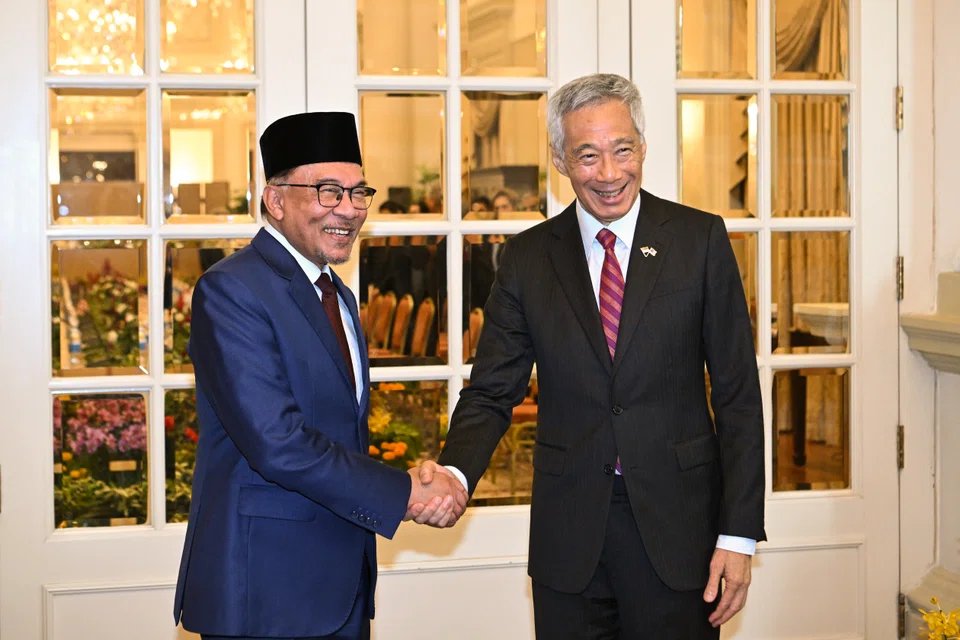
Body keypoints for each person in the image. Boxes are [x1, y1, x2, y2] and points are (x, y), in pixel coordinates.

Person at [424, 74, 766, 637]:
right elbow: (492, 390)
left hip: (680, 532)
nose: (609, 173)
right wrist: (457, 473)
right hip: (570, 537)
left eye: (622, 150)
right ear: (560, 160)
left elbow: (737, 395)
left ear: (643, 147)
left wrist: (737, 534)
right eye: (588, 155)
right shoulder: (528, 258)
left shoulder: (699, 240)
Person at [173, 111, 467, 640]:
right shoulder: (233, 290)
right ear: (276, 199)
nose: (349, 210)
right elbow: (277, 442)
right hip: (267, 591)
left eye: (359, 193)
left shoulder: (337, 294)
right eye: (328, 192)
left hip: (341, 583)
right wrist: (404, 492)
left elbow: (339, 428)